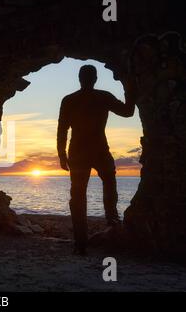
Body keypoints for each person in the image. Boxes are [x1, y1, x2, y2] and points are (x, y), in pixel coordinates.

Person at [57, 65, 136, 255]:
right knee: (107, 182)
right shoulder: (102, 96)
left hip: (78, 151)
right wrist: (130, 90)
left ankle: (81, 243)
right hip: (98, 150)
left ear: (79, 78)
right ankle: (111, 220)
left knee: (79, 195)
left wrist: (62, 153)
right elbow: (128, 112)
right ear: (95, 79)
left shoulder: (70, 100)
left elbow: (62, 129)